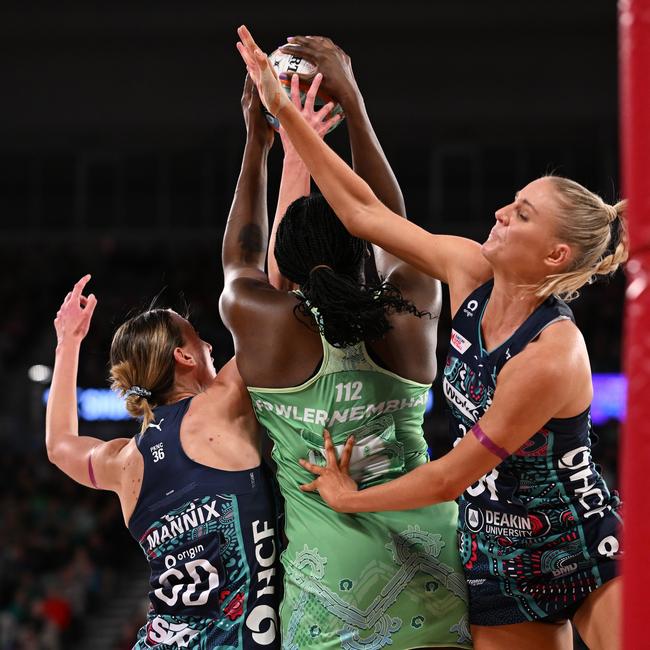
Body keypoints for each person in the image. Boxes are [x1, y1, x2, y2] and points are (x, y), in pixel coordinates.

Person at [236, 25, 626, 650]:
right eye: (513, 200)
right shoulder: (468, 267)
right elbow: (366, 215)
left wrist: (347, 498)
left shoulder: (551, 355)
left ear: (555, 255)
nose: (502, 211)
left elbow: (449, 477)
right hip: (494, 554)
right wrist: (287, 116)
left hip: (577, 544)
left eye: (522, 214)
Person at [221, 42, 470, 649]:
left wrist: (259, 141)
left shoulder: (259, 319)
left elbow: (241, 256)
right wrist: (354, 104)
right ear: (364, 247)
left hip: (334, 586)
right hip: (438, 565)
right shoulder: (410, 310)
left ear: (288, 259)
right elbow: (391, 221)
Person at [46, 275, 282, 649]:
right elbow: (280, 308)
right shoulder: (220, 405)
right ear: (184, 356)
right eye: (197, 338)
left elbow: (59, 446)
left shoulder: (122, 461)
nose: (208, 344)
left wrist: (68, 342)